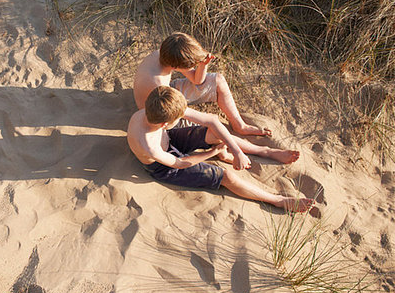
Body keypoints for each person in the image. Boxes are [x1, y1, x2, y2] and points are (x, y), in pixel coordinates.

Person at [127, 86, 314, 212]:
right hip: (165, 166)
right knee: (228, 177)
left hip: (168, 138)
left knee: (214, 134)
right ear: (165, 123)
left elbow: (212, 121)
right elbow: (180, 163)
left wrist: (237, 151)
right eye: (178, 118)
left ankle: (265, 151)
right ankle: (277, 200)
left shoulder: (155, 109)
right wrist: (212, 153)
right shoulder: (148, 145)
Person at [133, 32, 271, 136]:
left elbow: (197, 80)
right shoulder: (157, 83)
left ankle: (239, 125)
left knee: (218, 80)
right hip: (162, 113)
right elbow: (171, 109)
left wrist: (203, 65)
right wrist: (211, 121)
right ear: (176, 67)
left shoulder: (165, 54)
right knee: (214, 130)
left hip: (167, 94)